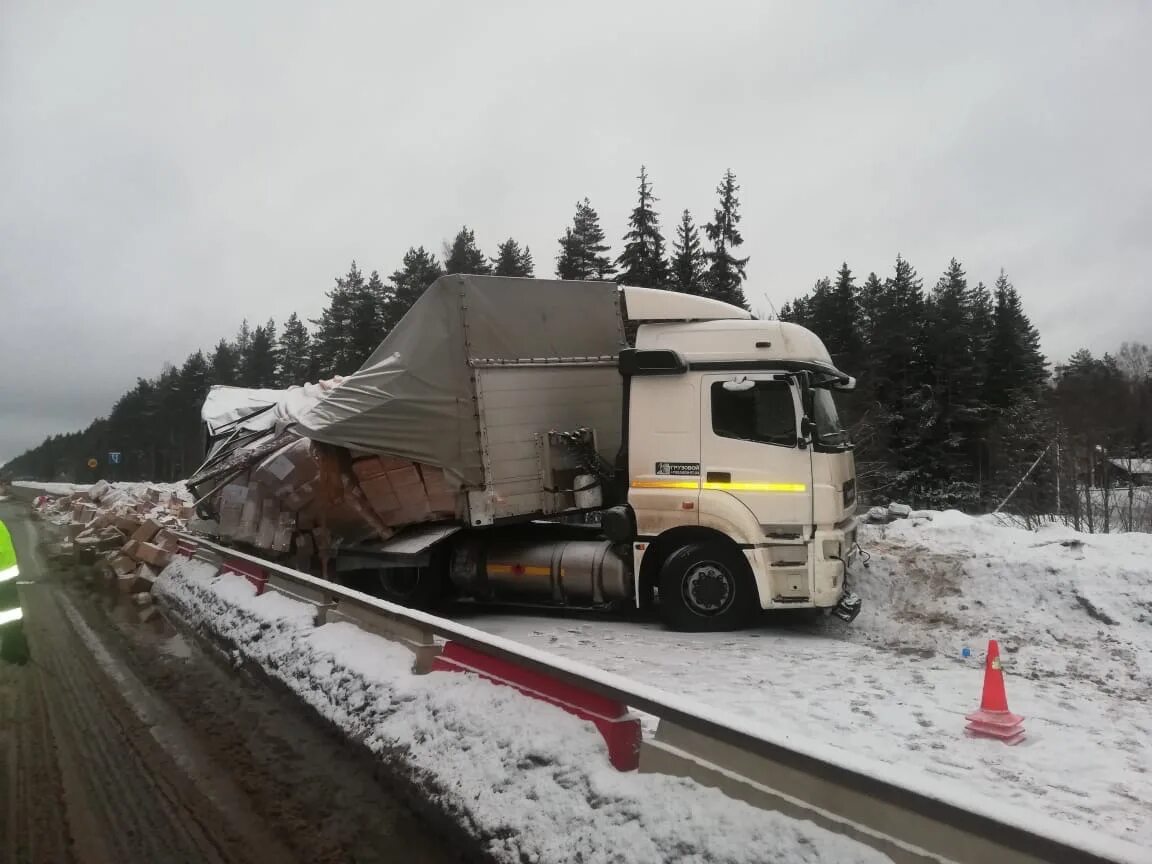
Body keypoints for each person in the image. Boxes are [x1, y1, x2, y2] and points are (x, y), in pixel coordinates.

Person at [0, 518, 30, 665]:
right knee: (10, 615)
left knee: (8, 615)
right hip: (6, 576)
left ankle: (13, 649)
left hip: (3, 576)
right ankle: (15, 647)